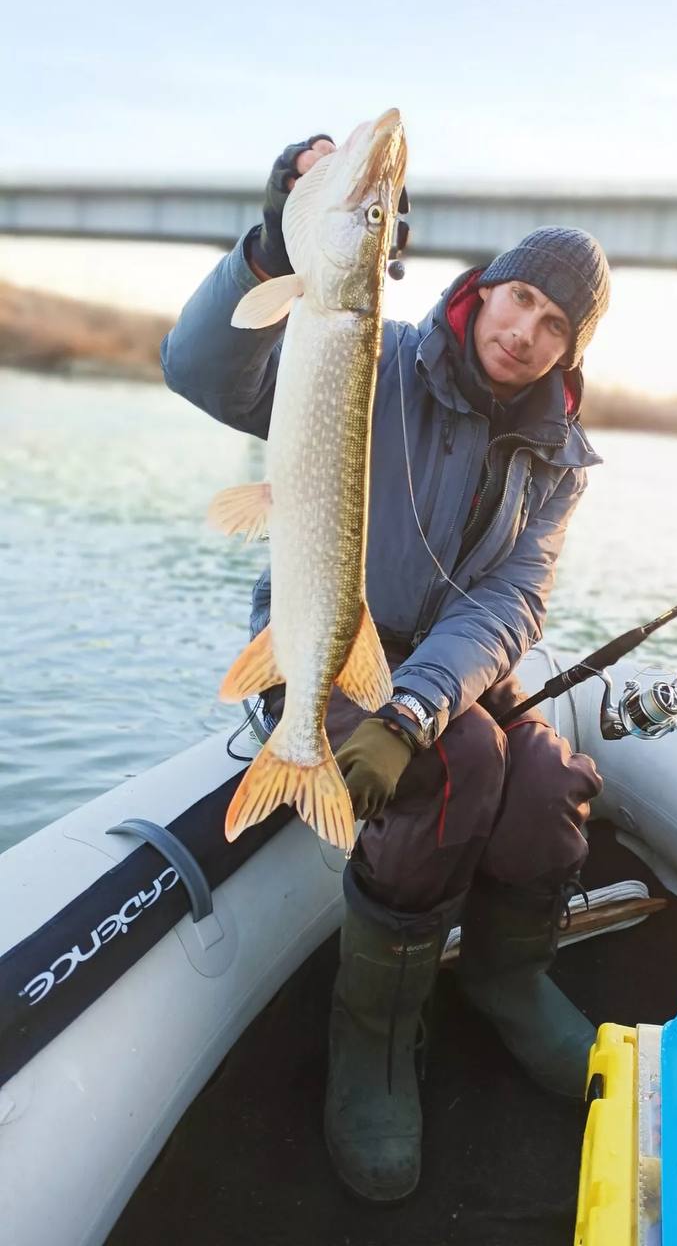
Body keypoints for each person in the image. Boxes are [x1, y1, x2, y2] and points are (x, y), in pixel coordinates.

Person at [161, 131, 611, 1203]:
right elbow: (198, 368)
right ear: (484, 289)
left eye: (555, 326)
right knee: (459, 769)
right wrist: (273, 245)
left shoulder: (558, 459)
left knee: (548, 781)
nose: (525, 331)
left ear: (568, 351)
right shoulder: (372, 347)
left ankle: (507, 979)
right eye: (520, 300)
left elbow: (514, 601)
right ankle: (374, 1033)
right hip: (326, 633)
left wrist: (410, 703)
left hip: (443, 663)